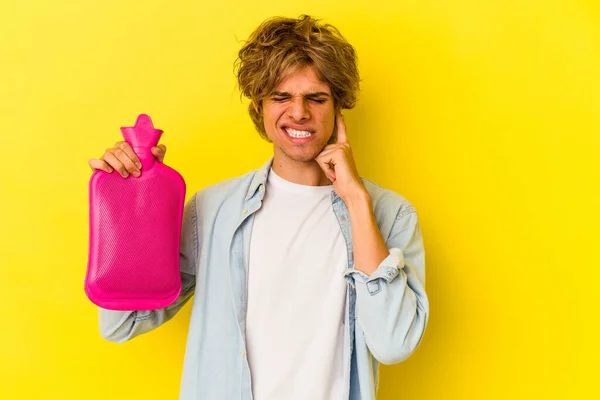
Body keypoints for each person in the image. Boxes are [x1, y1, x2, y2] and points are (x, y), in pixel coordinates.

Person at [88, 14, 429, 400]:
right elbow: (121, 323)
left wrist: (355, 200)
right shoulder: (213, 211)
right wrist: (134, 203)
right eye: (281, 97)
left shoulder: (389, 214)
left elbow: (393, 343)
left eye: (316, 98)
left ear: (338, 107)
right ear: (260, 108)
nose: (298, 112)